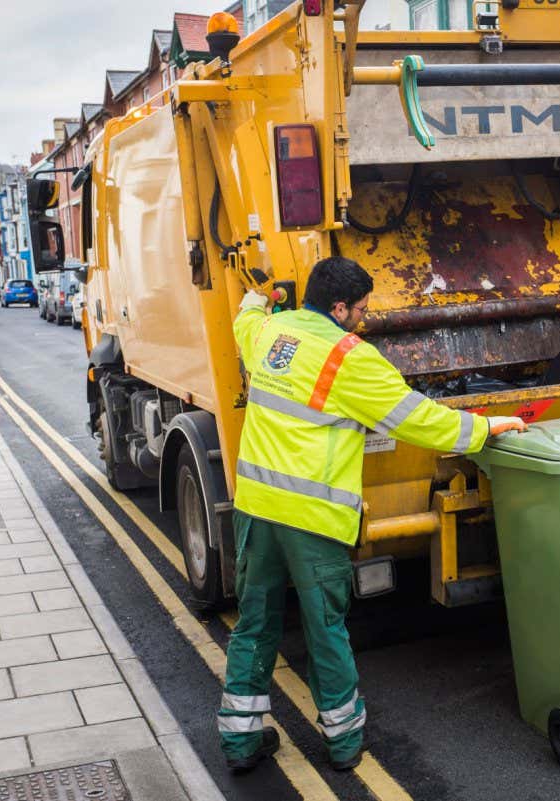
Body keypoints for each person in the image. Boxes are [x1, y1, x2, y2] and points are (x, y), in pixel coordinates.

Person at [219, 256, 527, 773]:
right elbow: (418, 419)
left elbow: (243, 321)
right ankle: (342, 743)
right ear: (338, 308)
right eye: (360, 309)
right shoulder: (348, 358)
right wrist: (486, 429)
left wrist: (260, 293)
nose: (364, 318)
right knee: (325, 630)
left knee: (254, 624)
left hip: (254, 511)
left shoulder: (272, 334)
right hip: (311, 522)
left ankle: (239, 741)